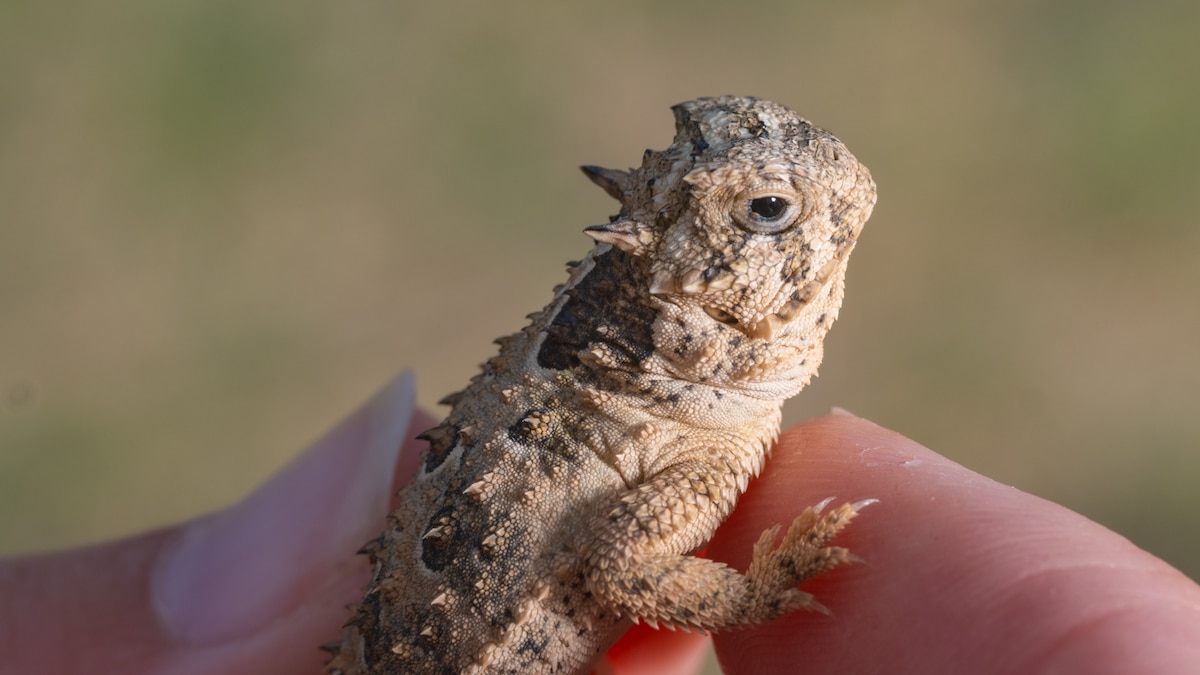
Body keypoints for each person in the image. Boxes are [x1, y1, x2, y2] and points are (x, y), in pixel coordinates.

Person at [3, 373, 1198, 674]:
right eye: (769, 213)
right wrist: (757, 594)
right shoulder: (675, 435)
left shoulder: (692, 426)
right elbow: (630, 565)